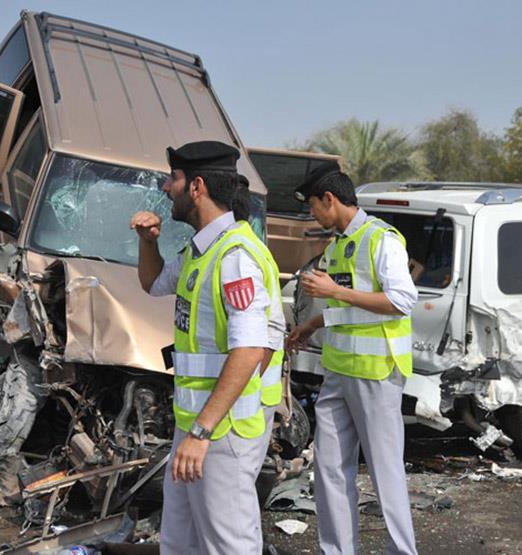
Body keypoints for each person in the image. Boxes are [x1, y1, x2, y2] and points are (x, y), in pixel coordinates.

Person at [130, 141, 285, 554]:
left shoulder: (236, 257)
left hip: (223, 428)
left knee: (227, 544)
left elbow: (250, 350)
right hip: (196, 422)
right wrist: (149, 242)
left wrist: (201, 433)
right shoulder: (202, 249)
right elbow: (154, 283)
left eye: (174, 178)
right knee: (180, 541)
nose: (166, 187)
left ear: (196, 187)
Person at [286, 167, 418, 555]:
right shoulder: (340, 244)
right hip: (339, 373)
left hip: (376, 374)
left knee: (384, 470)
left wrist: (331, 292)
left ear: (330, 199)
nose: (313, 216)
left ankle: (401, 551)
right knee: (328, 469)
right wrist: (311, 323)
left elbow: (401, 301)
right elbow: (350, 310)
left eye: (313, 206)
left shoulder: (381, 240)